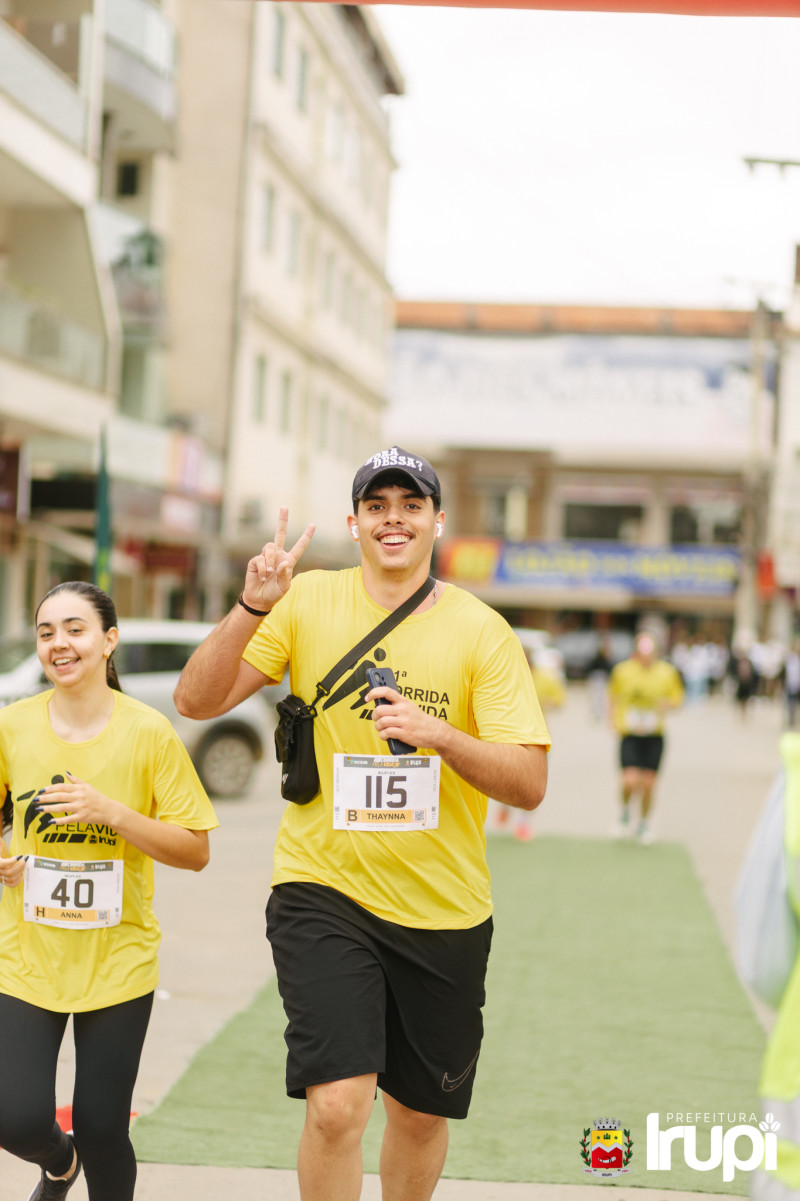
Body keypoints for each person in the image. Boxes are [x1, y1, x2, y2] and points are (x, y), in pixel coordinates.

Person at [173, 446, 550, 1201]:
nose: (393, 519)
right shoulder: (307, 601)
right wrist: (252, 605)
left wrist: (441, 736)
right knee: (338, 1104)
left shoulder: (482, 631)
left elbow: (529, 782)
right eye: (376, 506)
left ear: (438, 520)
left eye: (410, 505)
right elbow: (196, 700)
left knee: (418, 1113)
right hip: (323, 889)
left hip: (443, 908)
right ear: (354, 524)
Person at [0, 581, 218, 1201]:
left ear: (108, 640)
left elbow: (195, 849)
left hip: (118, 962)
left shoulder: (149, 732)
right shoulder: (12, 725)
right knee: (14, 1118)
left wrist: (113, 813)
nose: (59, 644)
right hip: (26, 956)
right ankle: (58, 1163)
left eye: (75, 629)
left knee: (101, 1127)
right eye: (47, 633)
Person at [607, 631, 684, 844]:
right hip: (630, 733)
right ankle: (624, 811)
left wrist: (667, 704)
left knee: (649, 784)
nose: (645, 659)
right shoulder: (622, 671)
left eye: (649, 654)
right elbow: (613, 695)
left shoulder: (667, 672)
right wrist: (612, 720)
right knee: (629, 781)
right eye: (642, 653)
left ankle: (644, 823)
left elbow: (677, 699)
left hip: (654, 734)